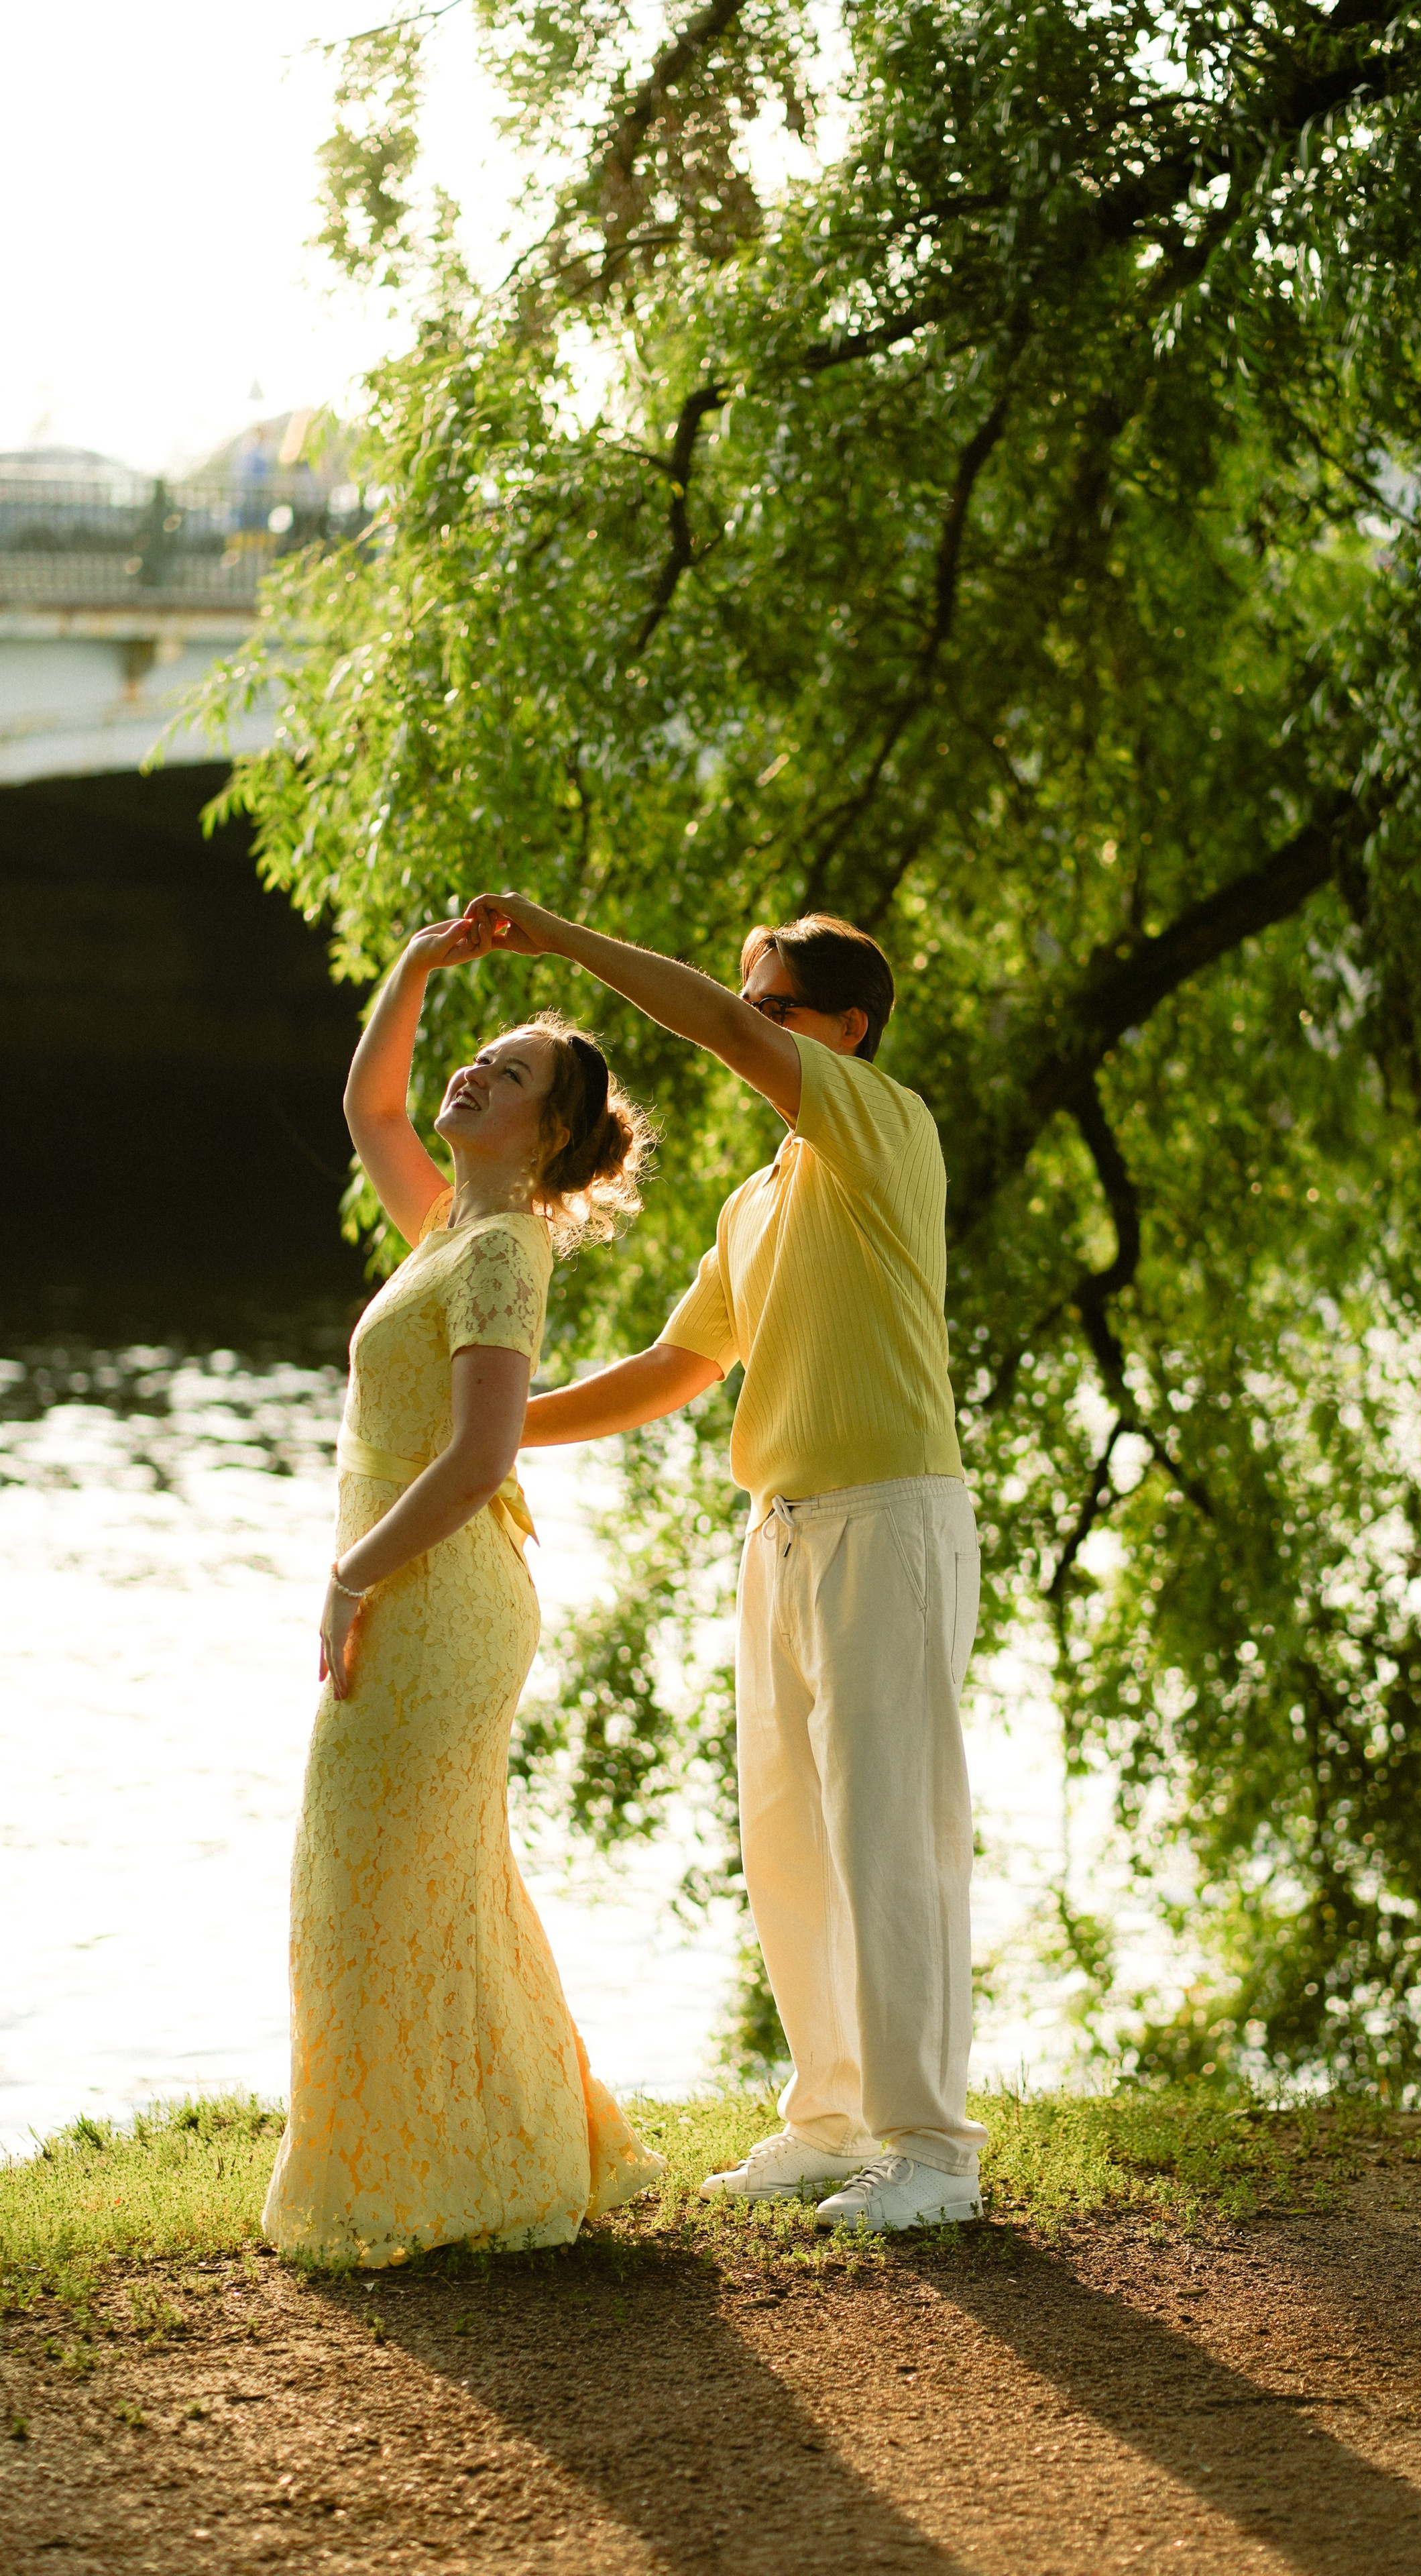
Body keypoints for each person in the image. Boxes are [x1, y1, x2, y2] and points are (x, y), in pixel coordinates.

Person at [461, 891, 985, 2234]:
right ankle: (829, 2120)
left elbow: (708, 1029)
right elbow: (673, 1366)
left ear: (846, 1030)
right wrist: (499, 1430)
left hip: (888, 1517)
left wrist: (563, 939)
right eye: (750, 1003)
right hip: (782, 1530)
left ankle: (933, 2152)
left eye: (776, 1009)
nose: (749, 1025)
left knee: (890, 1836)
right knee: (789, 1839)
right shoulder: (757, 1201)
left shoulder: (885, 1124)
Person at [262, 914, 665, 2263]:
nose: (474, 1074)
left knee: (378, 1882)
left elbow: (484, 1453)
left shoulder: (503, 1250)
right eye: (479, 1058)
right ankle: (477, 2157)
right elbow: (368, 1104)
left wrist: (350, 1573)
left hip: (434, 1598)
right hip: (414, 1588)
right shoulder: (449, 1222)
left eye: (511, 1073)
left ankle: (444, 2175)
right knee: (416, 1886)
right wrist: (422, 964)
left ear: (546, 1135)